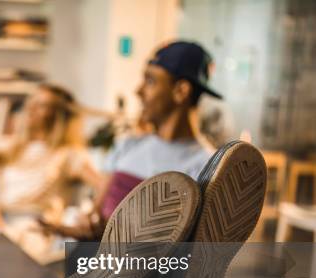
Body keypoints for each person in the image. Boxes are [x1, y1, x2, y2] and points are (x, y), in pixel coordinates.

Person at [41, 41, 219, 240]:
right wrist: (67, 229)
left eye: (150, 81)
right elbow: (96, 219)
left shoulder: (205, 167)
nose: (138, 91)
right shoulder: (127, 146)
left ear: (181, 91)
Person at [0, 84, 103, 227]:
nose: (31, 108)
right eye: (32, 102)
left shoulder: (69, 153)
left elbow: (102, 186)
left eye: (41, 105)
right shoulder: (15, 145)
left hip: (30, 221)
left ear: (57, 115)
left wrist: (89, 214)